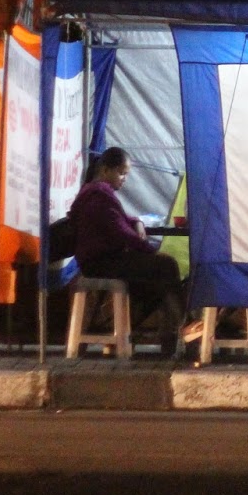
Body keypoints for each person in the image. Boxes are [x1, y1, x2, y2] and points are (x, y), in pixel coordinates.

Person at [69, 148, 187, 352]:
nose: (124, 179)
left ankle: (165, 331)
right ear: (105, 170)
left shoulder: (95, 193)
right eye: (121, 173)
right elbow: (122, 232)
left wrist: (137, 221)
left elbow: (122, 218)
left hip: (100, 260)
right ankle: (175, 330)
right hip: (102, 263)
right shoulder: (99, 196)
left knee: (159, 275)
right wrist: (150, 250)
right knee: (167, 265)